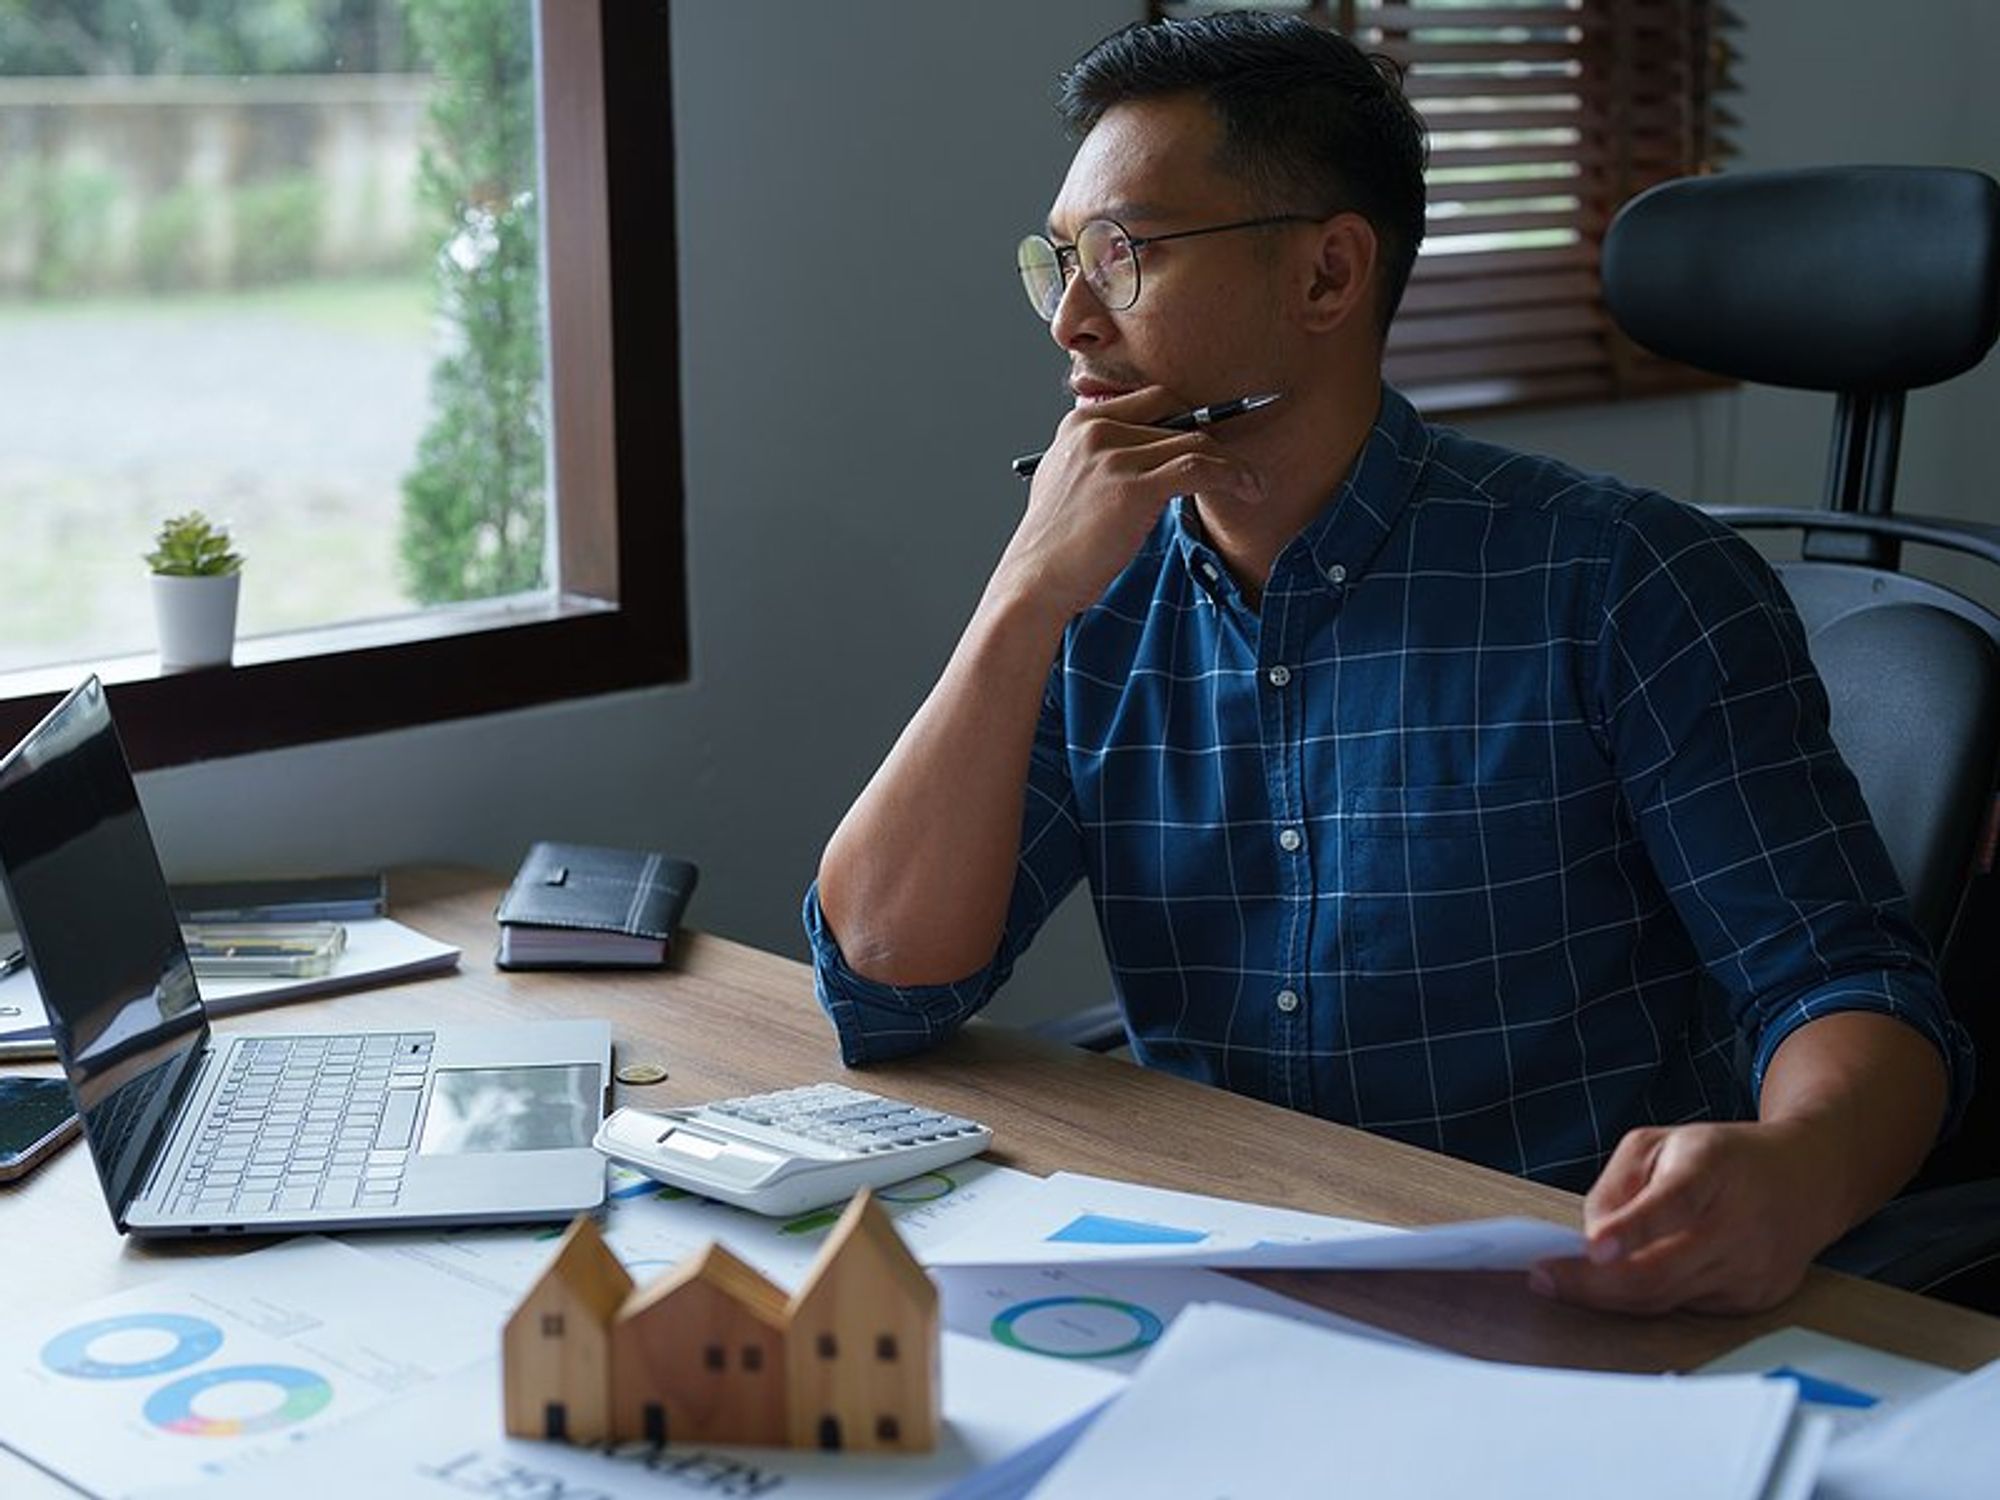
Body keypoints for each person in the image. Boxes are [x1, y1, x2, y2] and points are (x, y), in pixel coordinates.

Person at [803, 10, 1971, 1315]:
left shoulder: (1625, 581)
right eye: (1059, 261)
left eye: (1123, 256)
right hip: (1217, 1279)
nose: (1071, 319)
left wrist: (1795, 1167)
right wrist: (1021, 599)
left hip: (1553, 1288)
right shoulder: (1094, 589)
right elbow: (884, 987)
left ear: (1327, 277)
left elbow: (1848, 986)